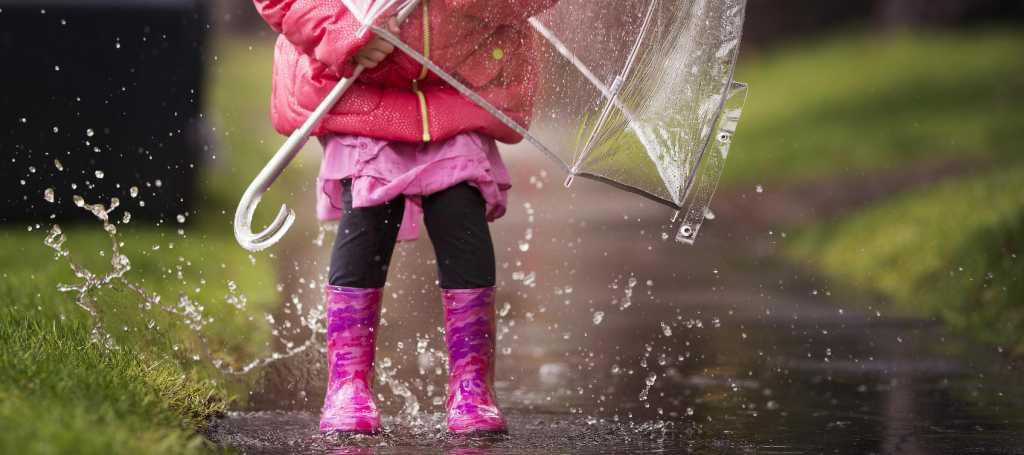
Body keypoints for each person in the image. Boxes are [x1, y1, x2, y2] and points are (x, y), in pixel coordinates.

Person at [253, 0, 557, 435]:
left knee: (460, 209)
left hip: (454, 91)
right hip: (360, 89)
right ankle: (348, 384)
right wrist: (340, 32)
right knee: (368, 216)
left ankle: (472, 385)